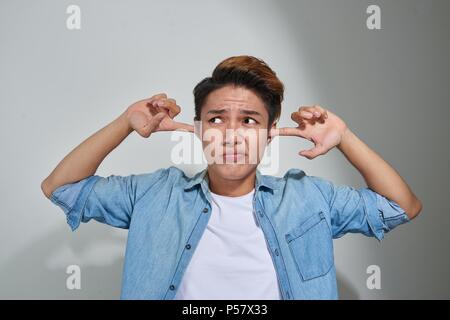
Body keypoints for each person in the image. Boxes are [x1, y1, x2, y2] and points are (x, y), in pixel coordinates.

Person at [41, 55, 422, 300]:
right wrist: (124, 123)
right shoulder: (154, 194)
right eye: (217, 119)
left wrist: (344, 138)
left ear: (271, 132)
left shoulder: (308, 198)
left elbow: (401, 206)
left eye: (249, 121)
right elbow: (61, 188)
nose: (231, 134)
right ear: (197, 128)